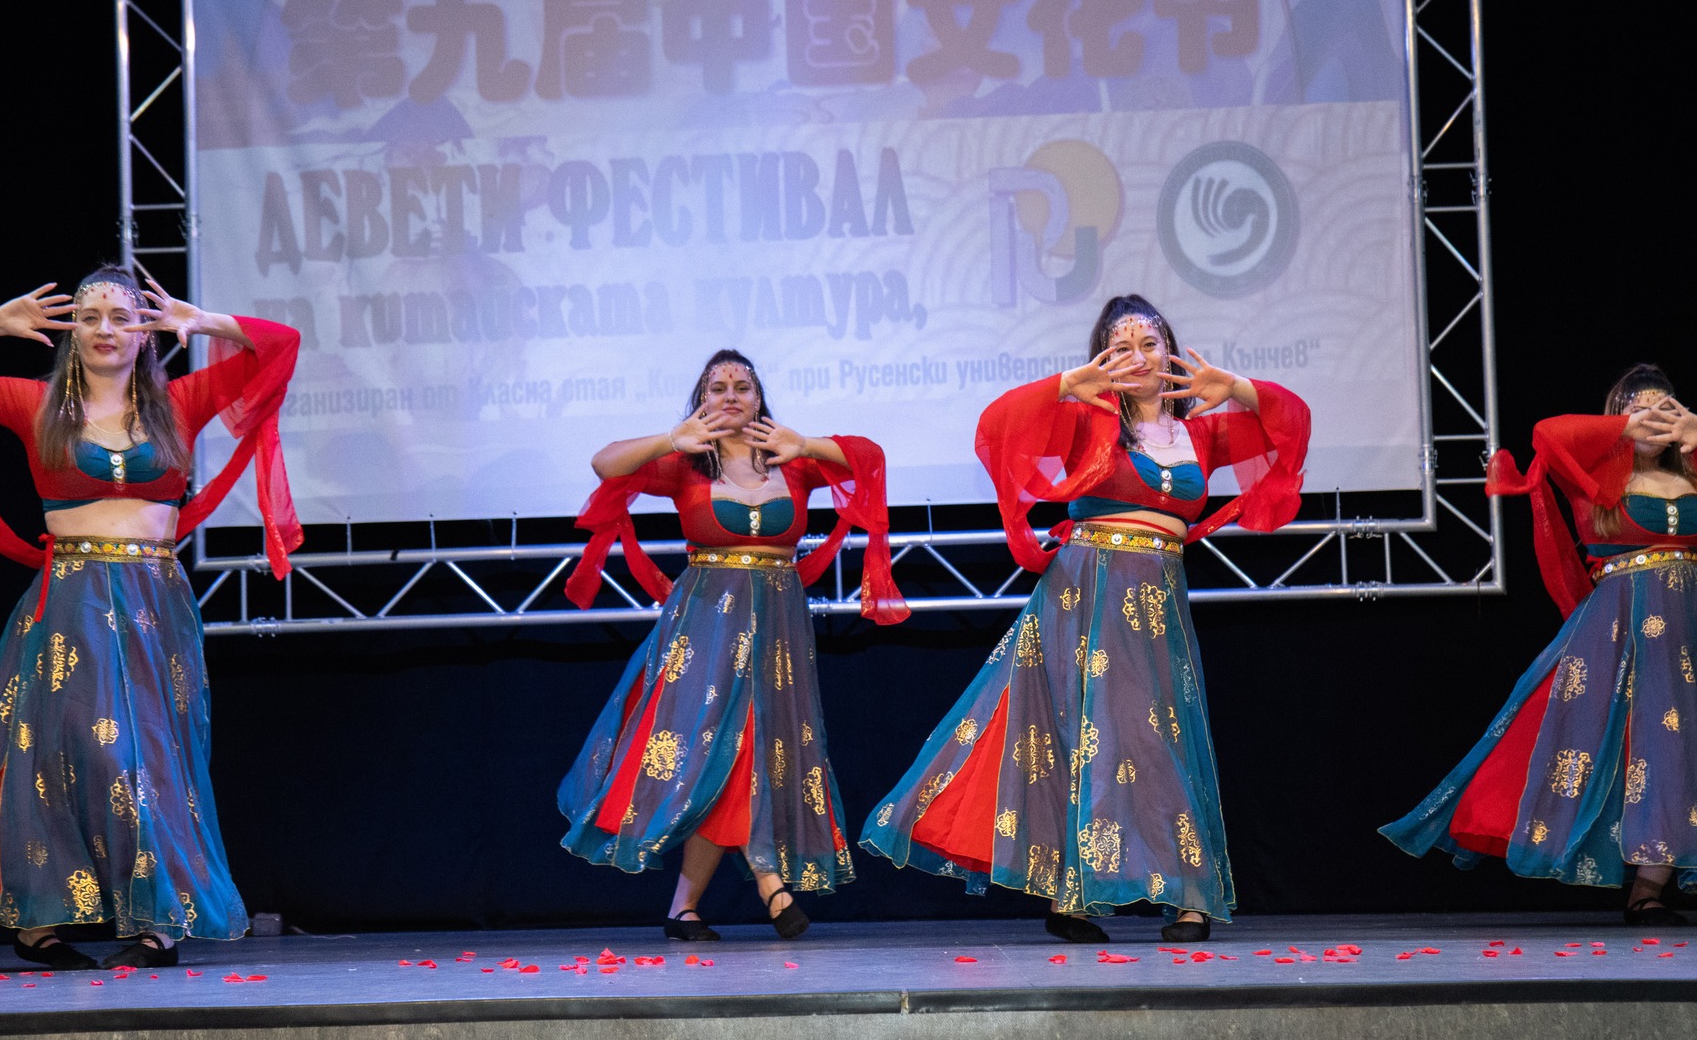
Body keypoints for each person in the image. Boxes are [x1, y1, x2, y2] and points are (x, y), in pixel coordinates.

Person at [0, 268, 301, 969]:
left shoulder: (180, 402)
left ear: (144, 333)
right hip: (72, 600)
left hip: (154, 604)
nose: (104, 330)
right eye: (89, 317)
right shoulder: (36, 405)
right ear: (72, 332)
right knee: (63, 755)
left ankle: (156, 922)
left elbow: (281, 346)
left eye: (121, 317)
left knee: (151, 756)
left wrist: (203, 321)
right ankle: (39, 920)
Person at [861, 295, 1309, 942]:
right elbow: (996, 427)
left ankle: (1180, 894)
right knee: (1078, 734)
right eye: (1121, 347)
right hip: (1085, 591)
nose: (1138, 357)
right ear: (1103, 358)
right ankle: (1080, 896)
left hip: (1155, 603)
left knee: (1156, 738)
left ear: (1170, 351)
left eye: (1149, 343)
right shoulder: (1085, 422)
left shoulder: (1203, 434)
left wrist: (1236, 387)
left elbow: (1291, 423)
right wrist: (1069, 384)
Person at [1380, 365, 1697, 925]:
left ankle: (1665, 883)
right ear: (1616, 418)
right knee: (1630, 746)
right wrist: (1624, 429)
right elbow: (1547, 433)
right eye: (1639, 408)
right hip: (1619, 631)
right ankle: (1689, 884)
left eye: (1666, 408)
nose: (1655, 418)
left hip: (1690, 635)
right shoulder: (1593, 478)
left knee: (1692, 743)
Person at [559, 350, 907, 939]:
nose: (729, 396)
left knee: (753, 753)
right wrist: (671, 437)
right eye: (716, 387)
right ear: (701, 400)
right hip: (707, 628)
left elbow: (868, 458)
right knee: (721, 749)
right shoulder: (684, 464)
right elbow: (604, 463)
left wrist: (808, 444)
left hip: (776, 627)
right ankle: (770, 884)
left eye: (742, 386)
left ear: (758, 398)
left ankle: (683, 908)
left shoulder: (791, 461)